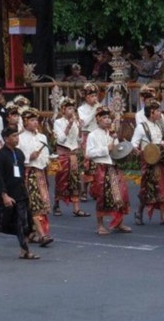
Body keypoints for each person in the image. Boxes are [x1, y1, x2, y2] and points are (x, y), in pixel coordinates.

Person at [0, 127, 40, 260]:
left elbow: (21, 174)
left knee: (22, 220)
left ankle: (24, 250)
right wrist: (4, 195)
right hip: (7, 193)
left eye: (17, 136)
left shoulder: (19, 154)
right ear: (6, 139)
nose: (16, 138)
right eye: (13, 136)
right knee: (3, 220)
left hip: (20, 192)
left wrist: (25, 190)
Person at [86, 106, 132, 235]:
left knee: (121, 194)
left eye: (108, 118)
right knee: (102, 197)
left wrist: (120, 143)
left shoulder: (111, 133)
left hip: (113, 167)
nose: (107, 120)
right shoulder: (92, 135)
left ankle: (119, 222)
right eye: (104, 118)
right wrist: (106, 148)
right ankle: (100, 225)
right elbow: (88, 153)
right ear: (98, 120)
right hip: (101, 168)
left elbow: (117, 151)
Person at [130, 100, 164, 225]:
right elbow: (133, 144)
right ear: (151, 112)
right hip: (149, 161)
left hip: (160, 160)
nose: (160, 113)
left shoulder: (158, 125)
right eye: (158, 111)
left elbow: (160, 141)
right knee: (148, 189)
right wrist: (138, 151)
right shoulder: (141, 127)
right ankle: (139, 212)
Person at [17, 108, 54, 247]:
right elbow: (17, 157)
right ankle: (40, 234)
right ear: (25, 122)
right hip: (28, 174)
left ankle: (37, 232)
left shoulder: (42, 137)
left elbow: (45, 155)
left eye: (36, 120)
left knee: (43, 202)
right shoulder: (19, 138)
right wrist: (28, 157)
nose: (35, 122)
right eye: (32, 120)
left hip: (40, 173)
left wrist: (48, 161)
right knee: (33, 204)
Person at [52, 97, 89, 218]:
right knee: (61, 180)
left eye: (73, 108)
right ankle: (56, 204)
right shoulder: (58, 122)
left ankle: (76, 208)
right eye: (69, 108)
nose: (71, 110)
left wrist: (79, 129)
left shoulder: (76, 122)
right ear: (63, 109)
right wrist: (69, 126)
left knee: (75, 181)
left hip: (74, 154)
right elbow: (60, 139)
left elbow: (79, 140)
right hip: (63, 154)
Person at [78, 83, 101, 201]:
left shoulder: (99, 106)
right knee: (88, 164)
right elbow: (84, 123)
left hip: (98, 135)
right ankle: (84, 190)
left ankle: (96, 190)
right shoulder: (81, 109)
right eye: (92, 96)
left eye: (95, 96)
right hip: (87, 136)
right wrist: (94, 112)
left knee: (98, 163)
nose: (95, 98)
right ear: (86, 98)